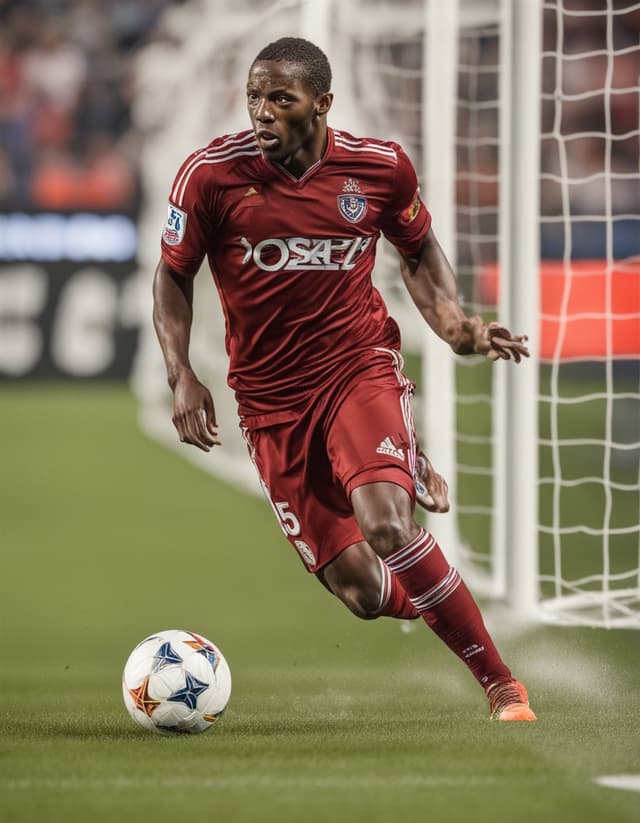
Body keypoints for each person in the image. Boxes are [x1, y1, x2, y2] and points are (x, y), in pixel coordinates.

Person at [152, 37, 536, 722]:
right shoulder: (211, 176)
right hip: (269, 402)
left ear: (322, 103)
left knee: (387, 525)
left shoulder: (379, 169)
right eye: (254, 97)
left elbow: (419, 252)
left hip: (357, 368)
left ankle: (501, 683)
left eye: (280, 98)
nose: (261, 112)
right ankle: (434, 577)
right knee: (361, 592)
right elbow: (172, 275)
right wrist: (182, 374)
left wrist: (459, 327)